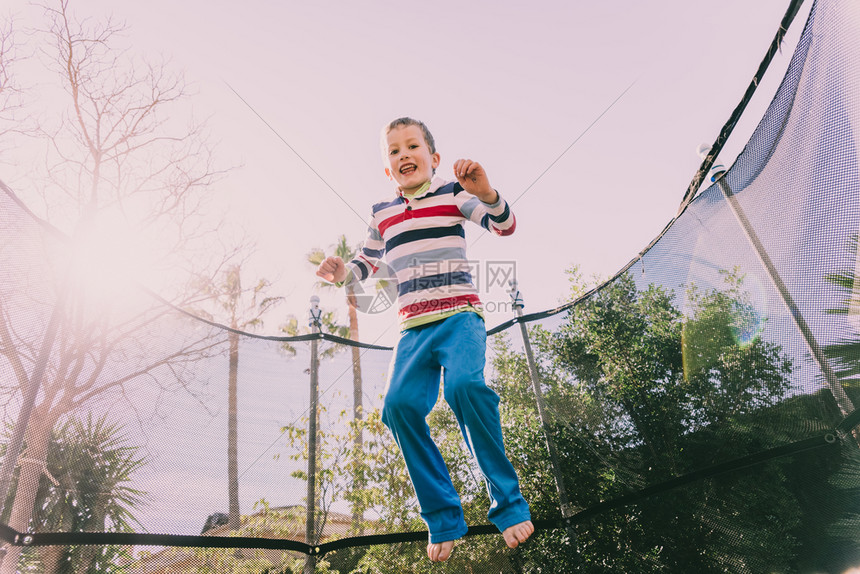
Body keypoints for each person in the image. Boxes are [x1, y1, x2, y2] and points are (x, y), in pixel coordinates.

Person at [316, 117, 533, 562]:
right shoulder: (382, 214)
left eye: (412, 146)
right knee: (397, 408)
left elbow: (503, 225)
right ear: (387, 170)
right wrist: (342, 275)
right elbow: (365, 262)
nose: (403, 155)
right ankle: (442, 516)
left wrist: (486, 192)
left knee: (464, 388)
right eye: (393, 151)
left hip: (459, 320)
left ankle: (509, 505)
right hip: (413, 328)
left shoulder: (453, 194)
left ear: (433, 159)